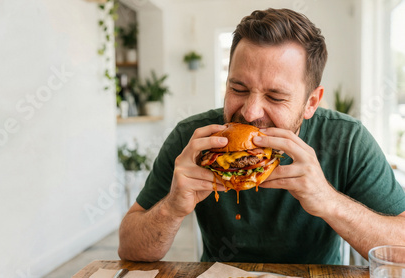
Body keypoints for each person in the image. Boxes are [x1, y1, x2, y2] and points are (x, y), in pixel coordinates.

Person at [118, 8, 405, 264]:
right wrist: (171, 208)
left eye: (275, 96)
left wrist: (330, 202)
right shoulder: (192, 140)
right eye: (238, 89)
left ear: (311, 103)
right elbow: (129, 248)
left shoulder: (347, 140)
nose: (251, 112)